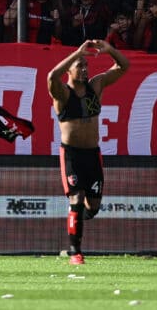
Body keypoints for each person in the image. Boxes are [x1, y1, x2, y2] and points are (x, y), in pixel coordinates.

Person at [46, 39, 130, 264]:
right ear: (70, 69)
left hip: (93, 154)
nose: (84, 69)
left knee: (92, 207)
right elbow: (52, 76)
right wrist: (76, 52)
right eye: (79, 66)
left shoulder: (96, 86)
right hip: (72, 154)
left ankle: (76, 221)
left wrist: (110, 49)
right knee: (76, 198)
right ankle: (75, 251)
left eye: (85, 65)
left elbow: (124, 66)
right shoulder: (62, 93)